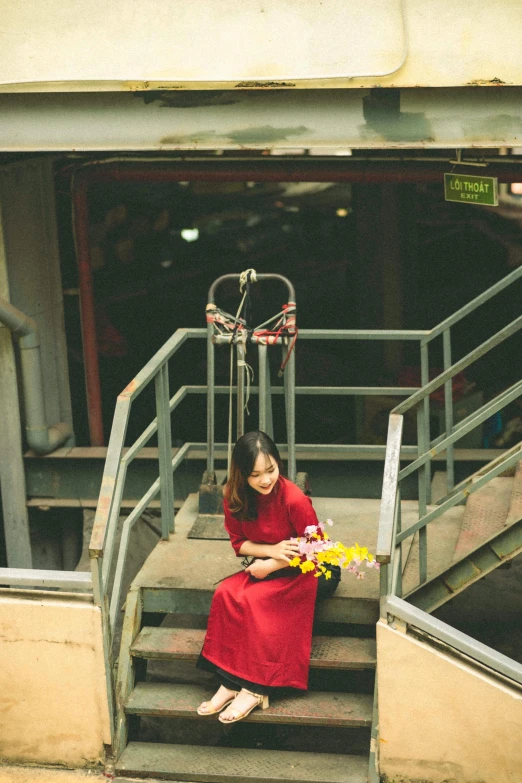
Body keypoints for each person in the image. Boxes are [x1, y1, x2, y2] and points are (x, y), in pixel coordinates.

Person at [196, 430, 339, 723]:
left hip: (312, 568)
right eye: (255, 474)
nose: (265, 480)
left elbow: (317, 548)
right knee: (227, 593)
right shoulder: (233, 496)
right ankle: (230, 683)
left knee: (259, 600)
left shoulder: (294, 499)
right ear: (241, 474)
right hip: (271, 561)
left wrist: (272, 565)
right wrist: (272, 552)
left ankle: (255, 688)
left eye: (271, 470)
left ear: (278, 464)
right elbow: (239, 544)